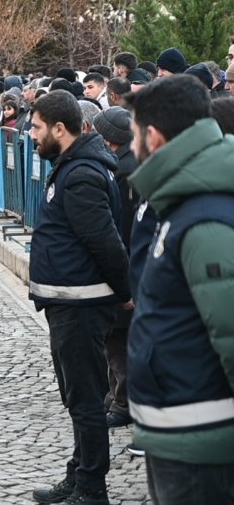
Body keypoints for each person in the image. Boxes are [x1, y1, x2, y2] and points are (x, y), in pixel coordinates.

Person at [124, 74, 234, 504]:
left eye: (134, 134)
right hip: (180, 431)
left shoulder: (203, 219)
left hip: (200, 441)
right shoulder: (185, 203)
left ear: (152, 137)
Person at [27, 90, 130, 505]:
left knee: (87, 401)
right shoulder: (71, 166)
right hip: (68, 302)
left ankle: (92, 487)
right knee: (78, 398)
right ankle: (78, 474)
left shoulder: (82, 173)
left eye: (36, 128)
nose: (31, 135)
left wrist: (125, 292)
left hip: (81, 305)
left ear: (59, 128)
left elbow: (105, 242)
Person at [90, 107, 140, 432]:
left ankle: (122, 401)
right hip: (126, 260)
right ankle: (114, 395)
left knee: (118, 336)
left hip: (125, 262)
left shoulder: (122, 171)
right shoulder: (124, 164)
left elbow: (119, 223)